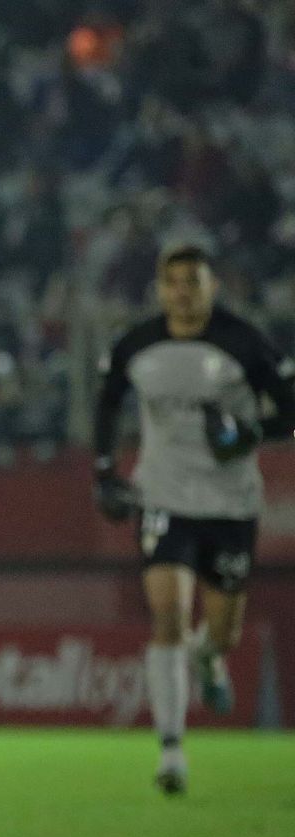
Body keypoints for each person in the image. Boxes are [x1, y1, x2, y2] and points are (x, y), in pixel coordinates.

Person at [93, 245, 295, 795]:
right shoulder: (139, 343)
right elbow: (107, 400)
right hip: (163, 497)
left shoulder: (243, 341)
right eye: (173, 281)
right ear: (160, 288)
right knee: (168, 616)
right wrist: (106, 469)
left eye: (194, 281)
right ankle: (172, 749)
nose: (183, 291)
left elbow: (289, 407)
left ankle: (210, 660)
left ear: (212, 286)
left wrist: (251, 434)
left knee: (222, 630)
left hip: (230, 505)